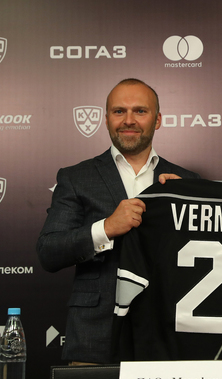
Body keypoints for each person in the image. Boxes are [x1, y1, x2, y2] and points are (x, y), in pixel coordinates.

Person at [36, 78, 200, 364]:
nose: (129, 120)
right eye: (119, 111)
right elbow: (49, 251)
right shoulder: (76, 177)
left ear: (157, 120)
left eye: (140, 111)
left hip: (169, 333)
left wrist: (184, 204)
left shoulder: (186, 182)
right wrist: (106, 228)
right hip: (95, 336)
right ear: (106, 119)